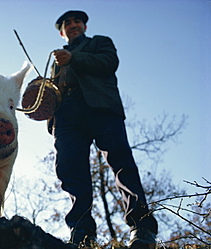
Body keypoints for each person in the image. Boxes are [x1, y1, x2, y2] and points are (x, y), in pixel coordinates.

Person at [47, 10, 158, 249]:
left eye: (77, 21)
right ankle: (82, 235)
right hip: (66, 117)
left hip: (101, 108)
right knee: (69, 170)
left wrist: (73, 59)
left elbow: (109, 63)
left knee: (121, 164)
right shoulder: (56, 62)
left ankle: (142, 229)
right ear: (61, 32)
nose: (73, 25)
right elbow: (53, 92)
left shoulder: (100, 42)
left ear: (85, 27)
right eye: (68, 23)